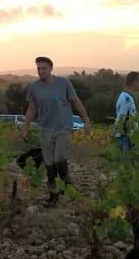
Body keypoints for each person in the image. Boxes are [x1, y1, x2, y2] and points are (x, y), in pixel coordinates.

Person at [21, 56, 92, 206]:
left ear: (51, 69)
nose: (41, 71)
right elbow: (32, 108)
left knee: (60, 158)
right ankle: (53, 194)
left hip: (63, 127)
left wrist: (86, 120)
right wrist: (26, 127)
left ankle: (67, 185)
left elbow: (76, 102)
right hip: (45, 129)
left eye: (44, 68)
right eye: (39, 69)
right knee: (49, 164)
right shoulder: (34, 87)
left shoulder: (63, 83)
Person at [114, 72, 139, 159]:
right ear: (135, 82)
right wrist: (118, 137)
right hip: (126, 138)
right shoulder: (127, 99)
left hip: (126, 137)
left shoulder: (124, 96)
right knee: (128, 166)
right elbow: (120, 118)